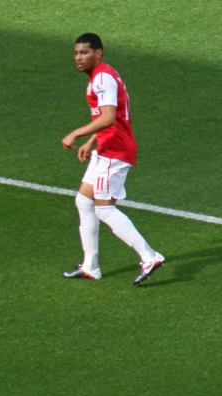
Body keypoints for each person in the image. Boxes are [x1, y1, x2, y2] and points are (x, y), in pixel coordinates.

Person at [61, 32, 164, 285]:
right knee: (84, 201)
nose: (78, 57)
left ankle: (150, 257)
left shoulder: (102, 78)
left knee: (104, 209)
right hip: (106, 146)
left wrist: (77, 133)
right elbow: (108, 118)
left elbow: (108, 118)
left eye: (84, 52)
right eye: (76, 53)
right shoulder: (102, 75)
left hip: (115, 151)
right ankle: (90, 266)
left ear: (98, 53)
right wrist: (90, 140)